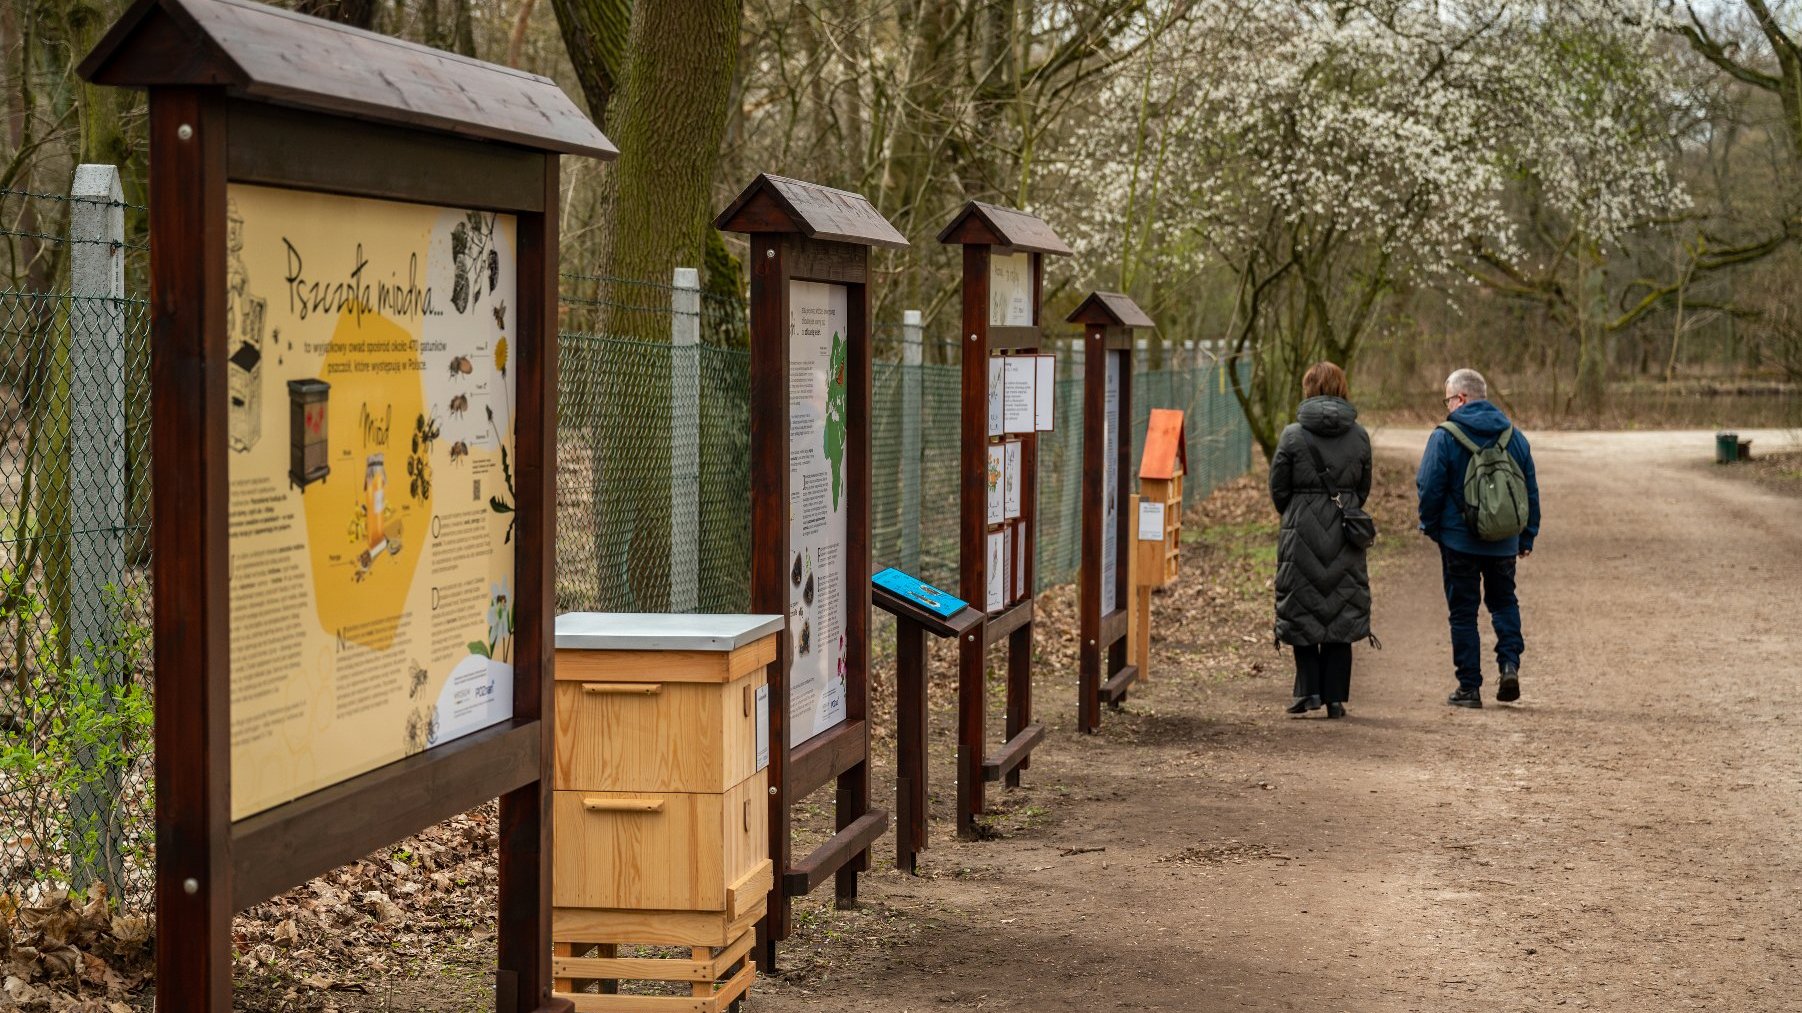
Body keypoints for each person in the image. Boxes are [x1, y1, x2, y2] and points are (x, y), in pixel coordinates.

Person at [1416, 368, 1541, 708]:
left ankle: (1469, 688)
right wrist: (1526, 536)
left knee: (1463, 613)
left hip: (1459, 542)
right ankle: (1509, 664)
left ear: (1461, 398)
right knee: (1504, 603)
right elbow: (1529, 490)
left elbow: (1429, 486)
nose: (1447, 407)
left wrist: (1431, 526)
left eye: (1448, 400)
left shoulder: (1445, 436)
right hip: (1503, 541)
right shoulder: (1513, 435)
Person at [1270, 362, 1373, 719]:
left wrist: (1299, 511)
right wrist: (1343, 507)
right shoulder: (1359, 435)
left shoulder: (1292, 435)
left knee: (1302, 608)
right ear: (1342, 387)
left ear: (1308, 389)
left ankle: (1308, 691)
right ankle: (1335, 699)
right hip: (1345, 530)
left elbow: (1278, 488)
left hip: (1301, 531)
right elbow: (1363, 487)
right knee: (1341, 609)